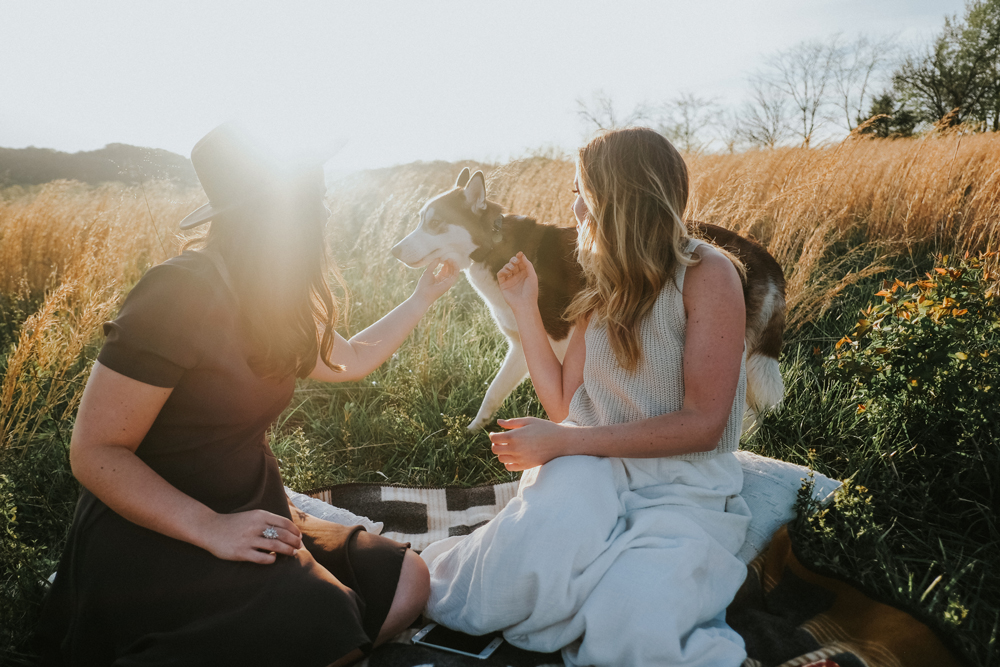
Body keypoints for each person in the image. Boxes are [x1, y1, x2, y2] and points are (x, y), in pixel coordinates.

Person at [36, 123, 457, 666]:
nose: (325, 212)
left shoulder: (272, 295)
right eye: (316, 197)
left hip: (252, 508)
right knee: (327, 622)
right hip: (160, 525)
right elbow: (94, 452)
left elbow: (350, 357)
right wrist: (210, 528)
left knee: (406, 580)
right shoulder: (177, 292)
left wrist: (423, 297)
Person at [421, 127, 752, 666]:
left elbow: (704, 424)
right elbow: (565, 407)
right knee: (503, 581)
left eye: (580, 191)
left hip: (680, 483)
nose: (573, 206)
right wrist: (524, 306)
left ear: (616, 196)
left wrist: (565, 443)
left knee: (633, 624)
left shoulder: (706, 272)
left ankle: (608, 595)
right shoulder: (598, 283)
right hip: (591, 467)